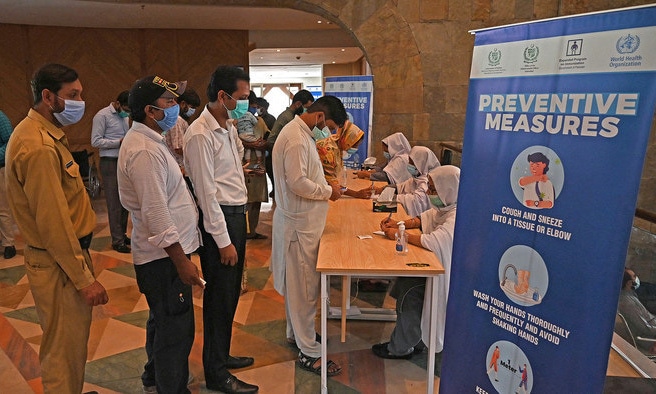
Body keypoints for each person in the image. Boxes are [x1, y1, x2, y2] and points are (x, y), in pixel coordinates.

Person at [6, 63, 109, 393]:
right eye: (73, 95)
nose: (80, 101)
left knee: (71, 345)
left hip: (64, 257)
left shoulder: (45, 135)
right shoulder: (37, 146)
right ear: (48, 97)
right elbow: (52, 223)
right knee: (63, 350)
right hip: (58, 262)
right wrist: (83, 279)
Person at [117, 75, 204, 394]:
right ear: (150, 111)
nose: (177, 108)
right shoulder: (144, 151)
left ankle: (154, 377)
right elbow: (156, 214)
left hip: (164, 256)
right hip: (163, 258)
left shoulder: (151, 140)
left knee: (162, 321)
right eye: (170, 103)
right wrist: (182, 263)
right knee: (176, 332)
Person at [184, 65, 259, 394]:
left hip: (235, 214)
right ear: (222, 96)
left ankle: (222, 354)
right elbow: (206, 194)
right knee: (218, 297)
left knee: (230, 296)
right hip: (219, 221)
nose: (245, 102)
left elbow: (237, 157)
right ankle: (215, 374)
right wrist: (223, 240)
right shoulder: (200, 134)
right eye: (241, 97)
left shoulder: (226, 126)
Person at [271, 95, 346, 377]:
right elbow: (298, 182)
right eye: (329, 127)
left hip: (303, 225)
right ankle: (309, 352)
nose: (328, 134)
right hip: (299, 228)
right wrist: (328, 192)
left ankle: (296, 334)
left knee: (298, 288)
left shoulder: (301, 134)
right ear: (319, 117)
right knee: (304, 292)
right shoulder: (296, 138)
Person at [371, 165, 460, 359]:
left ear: (449, 190)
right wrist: (400, 224)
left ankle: (400, 348)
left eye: (433, 190)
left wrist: (400, 235)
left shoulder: (457, 216)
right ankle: (416, 338)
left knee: (411, 292)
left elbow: (436, 241)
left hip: (446, 275)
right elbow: (426, 217)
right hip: (434, 265)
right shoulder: (446, 207)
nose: (429, 193)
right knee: (404, 282)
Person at [91, 90, 131, 253]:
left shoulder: (125, 116)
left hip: (123, 161)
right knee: (114, 202)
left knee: (125, 201)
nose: (127, 113)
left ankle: (122, 233)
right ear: (117, 103)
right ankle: (117, 240)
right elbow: (95, 141)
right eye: (126, 109)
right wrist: (118, 142)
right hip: (109, 162)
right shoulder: (102, 116)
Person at [266, 89, 315, 197]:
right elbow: (271, 141)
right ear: (298, 104)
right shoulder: (287, 117)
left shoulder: (293, 117)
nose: (308, 111)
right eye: (307, 108)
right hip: (277, 159)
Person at [375, 146, 441, 217]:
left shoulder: (427, 182)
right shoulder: (418, 177)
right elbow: (401, 187)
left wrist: (394, 198)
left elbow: (415, 202)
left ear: (421, 163)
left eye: (412, 162)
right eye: (409, 161)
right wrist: (383, 189)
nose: (409, 165)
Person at [316, 119, 372, 199]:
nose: (355, 148)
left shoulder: (336, 145)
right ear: (348, 139)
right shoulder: (327, 151)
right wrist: (356, 194)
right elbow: (332, 184)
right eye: (355, 145)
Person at [618, 268, 656, 354]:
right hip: (648, 340)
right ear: (629, 283)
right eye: (634, 276)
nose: (637, 278)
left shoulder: (629, 295)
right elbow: (646, 328)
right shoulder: (627, 303)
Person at [164, 87, 201, 171]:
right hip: (178, 167)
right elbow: (178, 148)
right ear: (183, 104)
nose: (193, 110)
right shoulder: (177, 120)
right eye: (192, 107)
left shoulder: (179, 120)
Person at [0, 110, 17, 259]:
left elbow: (10, 142)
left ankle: (8, 244)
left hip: (0, 168)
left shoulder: (1, 117)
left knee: (2, 209)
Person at [236, 92, 264, 167]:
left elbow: (265, 140)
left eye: (256, 107)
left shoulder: (260, 120)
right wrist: (251, 144)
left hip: (250, 162)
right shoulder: (257, 120)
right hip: (244, 161)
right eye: (253, 106)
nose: (255, 108)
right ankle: (258, 159)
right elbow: (233, 139)